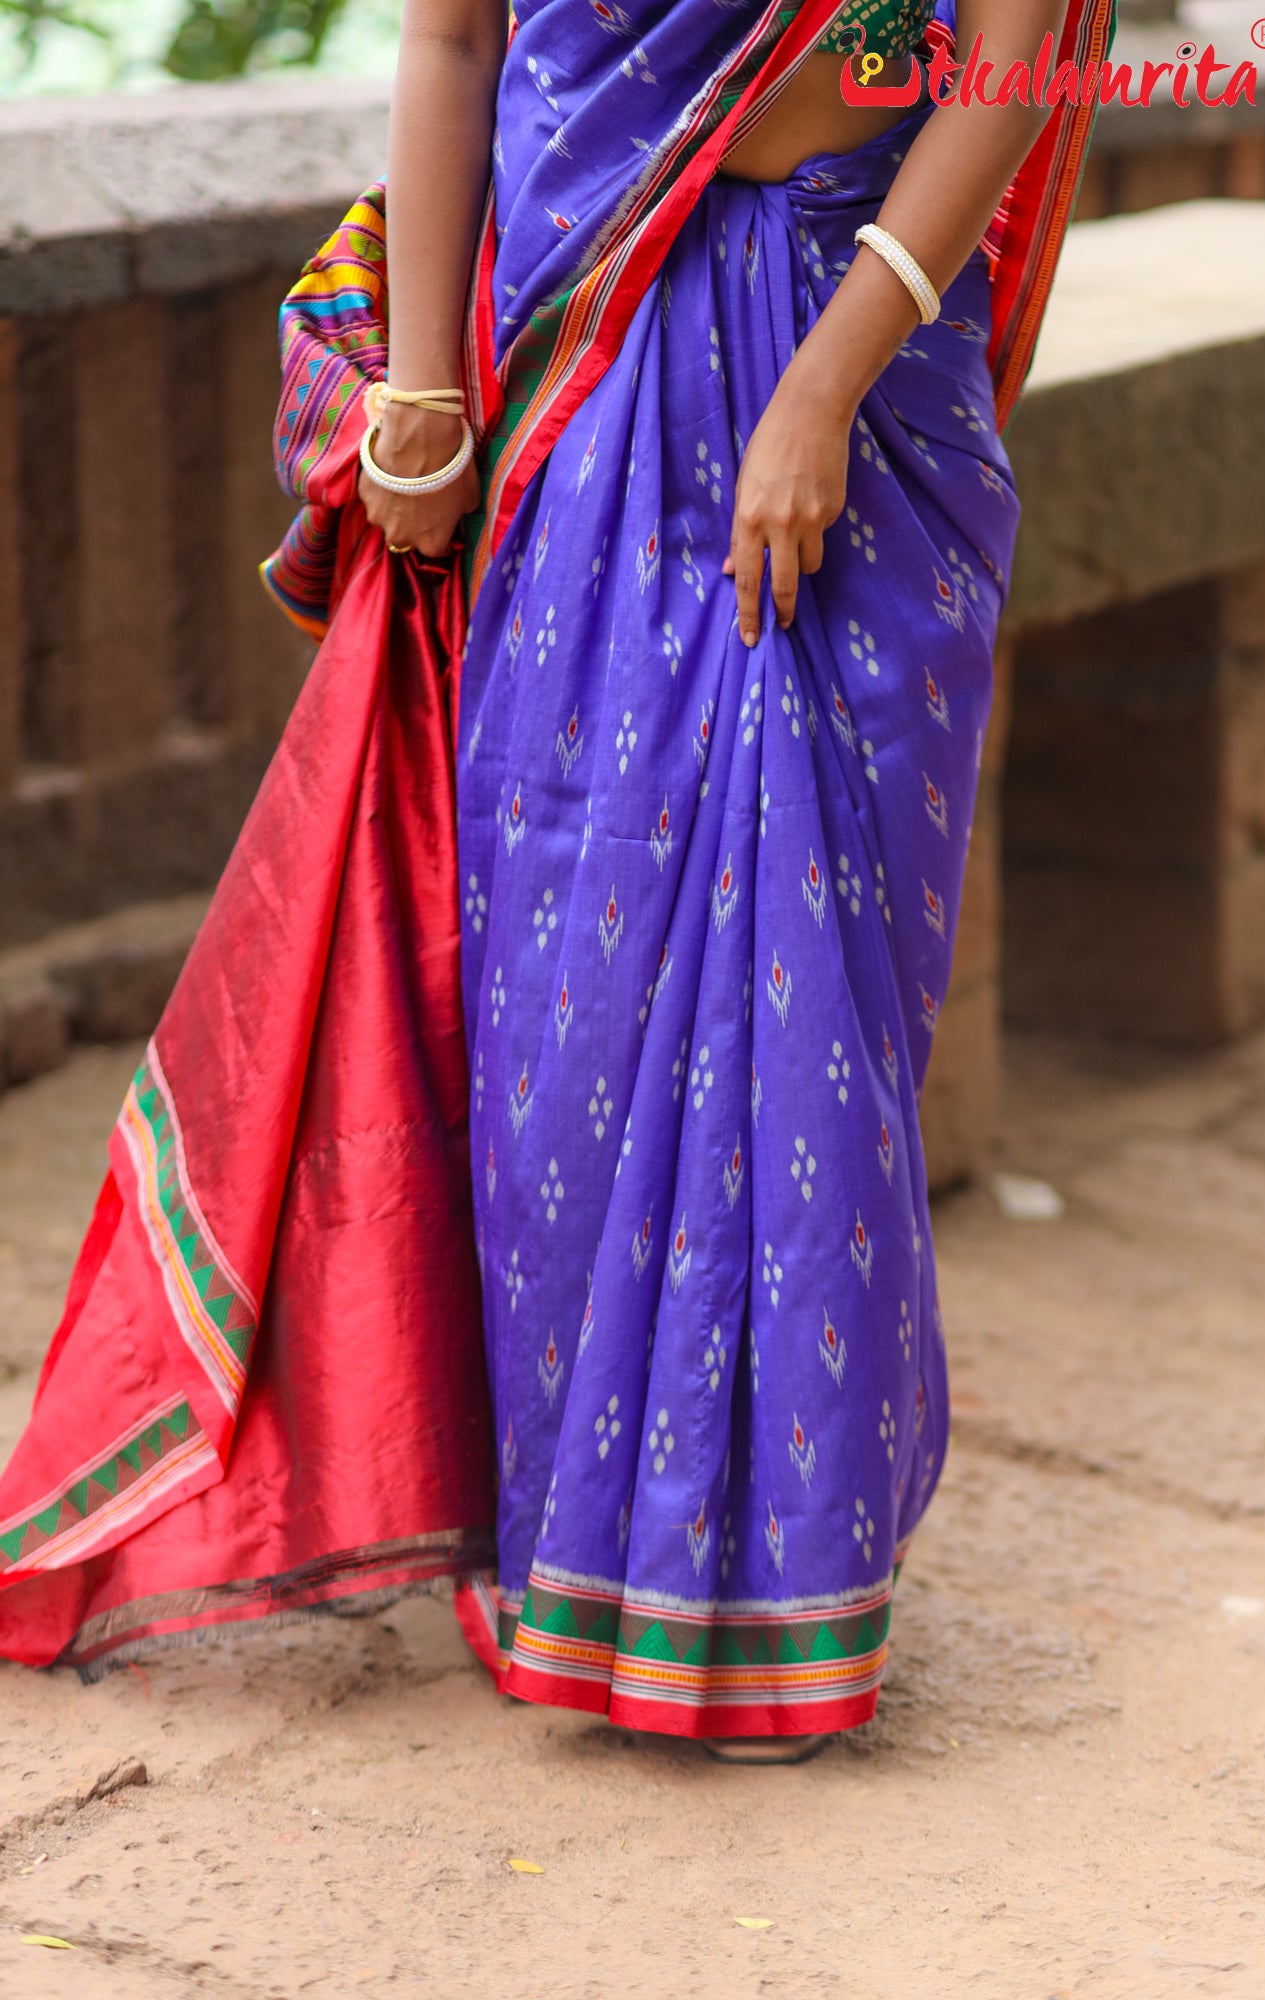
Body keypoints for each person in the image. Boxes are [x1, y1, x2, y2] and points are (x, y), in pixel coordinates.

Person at [0, 0, 1113, 1757]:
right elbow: (451, 44)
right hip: (580, 390)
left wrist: (822, 390)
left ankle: (774, 1586)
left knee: (811, 976)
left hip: (864, 366)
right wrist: (425, 401)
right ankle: (572, 1558)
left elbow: (1015, 45)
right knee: (568, 1005)